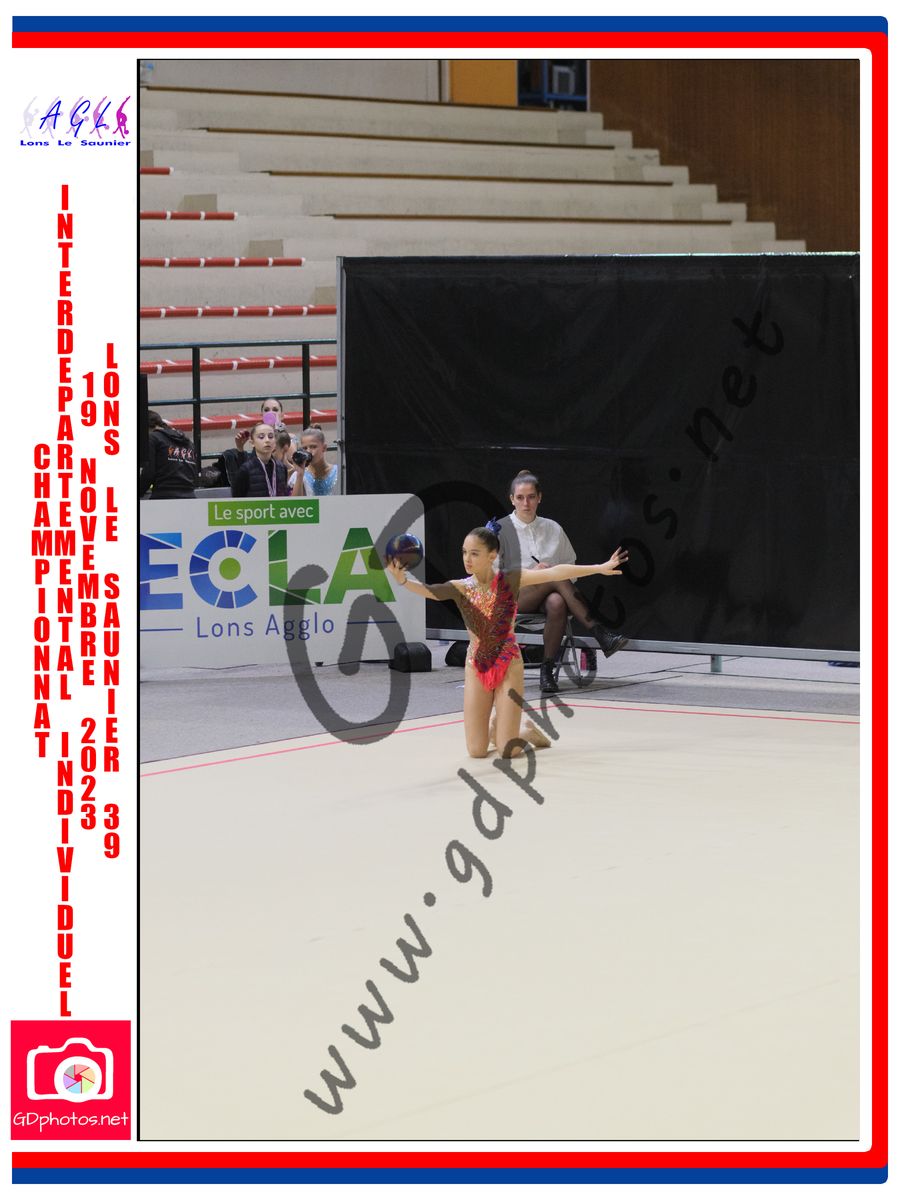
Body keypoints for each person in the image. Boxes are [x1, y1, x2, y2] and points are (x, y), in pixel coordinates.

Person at [386, 524, 627, 759]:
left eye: (474, 553)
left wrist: (599, 567)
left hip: (508, 664)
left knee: (507, 751)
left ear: (492, 555)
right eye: (464, 552)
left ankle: (524, 732)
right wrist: (403, 581)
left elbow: (555, 573)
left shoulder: (510, 580)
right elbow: (430, 590)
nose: (467, 559)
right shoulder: (461, 587)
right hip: (476, 665)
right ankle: (504, 729)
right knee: (476, 751)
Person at [499, 469, 628, 694]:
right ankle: (599, 632)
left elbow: (571, 570)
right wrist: (534, 573)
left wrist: (550, 576)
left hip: (549, 597)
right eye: (520, 497)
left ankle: (547, 670)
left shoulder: (553, 528)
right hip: (512, 598)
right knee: (554, 574)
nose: (526, 503)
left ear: (540, 497)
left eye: (531, 497)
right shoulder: (500, 530)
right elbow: (493, 578)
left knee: (557, 601)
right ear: (512, 499)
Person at [139, 410, 198, 499]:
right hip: (190, 496)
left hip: (164, 496)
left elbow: (148, 474)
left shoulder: (152, 439)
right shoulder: (188, 442)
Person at [231, 421, 291, 497]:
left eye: (270, 436)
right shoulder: (245, 470)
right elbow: (237, 499)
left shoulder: (282, 468)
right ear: (252, 443)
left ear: (275, 442)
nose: (267, 440)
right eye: (261, 437)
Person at [298, 426, 340, 496]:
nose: (309, 451)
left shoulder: (339, 472)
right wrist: (299, 475)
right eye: (305, 448)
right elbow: (295, 502)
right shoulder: (300, 474)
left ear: (324, 447)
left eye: (313, 447)